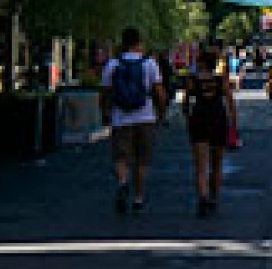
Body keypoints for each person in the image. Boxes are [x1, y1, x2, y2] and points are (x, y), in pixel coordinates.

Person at [100, 26, 166, 215]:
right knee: (142, 160)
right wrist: (161, 113)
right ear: (139, 43)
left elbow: (104, 93)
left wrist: (105, 113)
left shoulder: (113, 64)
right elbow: (159, 93)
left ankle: (122, 182)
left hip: (120, 118)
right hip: (145, 116)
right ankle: (138, 197)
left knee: (121, 157)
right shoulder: (149, 64)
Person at [182, 41, 238, 217]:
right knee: (217, 164)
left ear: (200, 63)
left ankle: (202, 197)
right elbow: (230, 103)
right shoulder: (221, 80)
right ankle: (214, 197)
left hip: (199, 119)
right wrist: (233, 125)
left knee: (200, 165)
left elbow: (185, 103)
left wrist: (187, 116)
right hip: (218, 120)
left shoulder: (193, 80)